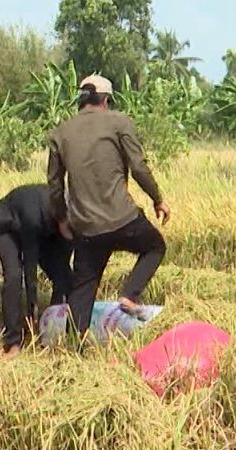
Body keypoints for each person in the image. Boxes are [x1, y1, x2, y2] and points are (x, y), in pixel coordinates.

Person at [46, 74, 171, 337]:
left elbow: (55, 184)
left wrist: (62, 218)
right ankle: (130, 295)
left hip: (86, 228)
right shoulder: (119, 122)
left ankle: (74, 346)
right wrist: (157, 199)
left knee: (83, 289)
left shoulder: (60, 133)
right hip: (123, 218)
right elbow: (138, 166)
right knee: (155, 246)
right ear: (105, 100)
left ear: (81, 101)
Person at [0, 184, 73, 354]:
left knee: (63, 275)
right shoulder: (34, 216)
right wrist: (32, 311)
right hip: (9, 224)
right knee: (14, 277)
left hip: (44, 229)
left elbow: (63, 268)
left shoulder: (71, 225)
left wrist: (54, 317)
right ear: (62, 219)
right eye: (70, 229)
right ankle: (13, 342)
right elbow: (30, 272)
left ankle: (54, 333)